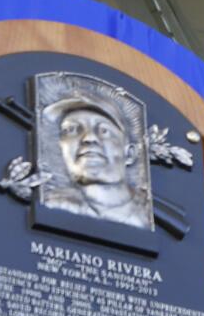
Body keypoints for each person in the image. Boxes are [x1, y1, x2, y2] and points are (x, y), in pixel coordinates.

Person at [40, 94, 152, 229]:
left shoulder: (149, 213)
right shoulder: (51, 204)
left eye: (104, 130)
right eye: (71, 130)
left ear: (129, 154)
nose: (88, 138)